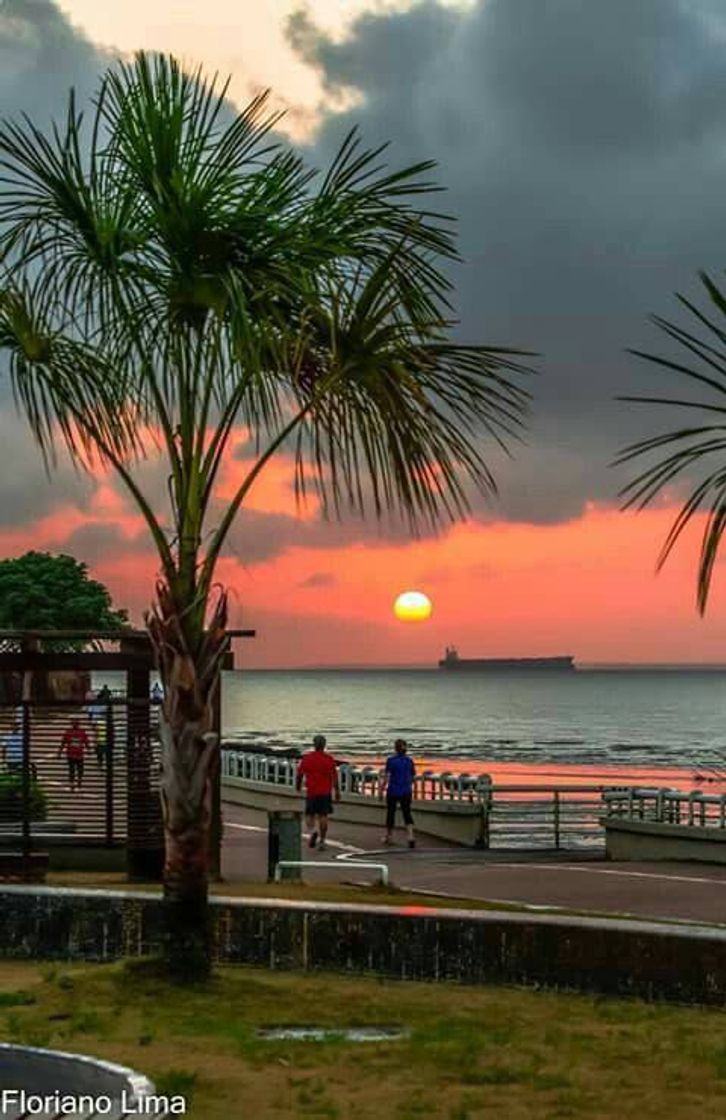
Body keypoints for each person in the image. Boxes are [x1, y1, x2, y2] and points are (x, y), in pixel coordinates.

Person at [295, 734, 340, 852]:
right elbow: (335, 777)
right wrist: (337, 791)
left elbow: (300, 775)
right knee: (323, 816)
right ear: (324, 745)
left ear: (314, 745)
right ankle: (322, 841)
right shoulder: (329, 759)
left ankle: (312, 831)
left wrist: (298, 787)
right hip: (325, 792)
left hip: (312, 792)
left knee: (310, 815)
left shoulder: (307, 758)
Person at [382, 738, 416, 848]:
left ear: (395, 748)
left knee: (391, 813)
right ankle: (410, 836)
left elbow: (387, 777)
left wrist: (381, 789)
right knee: (407, 813)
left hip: (393, 790)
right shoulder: (409, 761)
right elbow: (412, 776)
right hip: (406, 790)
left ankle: (389, 836)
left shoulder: (391, 760)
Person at [58, 717, 89, 792]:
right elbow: (63, 742)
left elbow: (86, 742)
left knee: (78, 770)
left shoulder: (81, 732)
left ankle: (78, 781)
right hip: (72, 754)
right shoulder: (69, 732)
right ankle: (73, 783)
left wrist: (89, 749)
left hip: (78, 754)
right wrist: (59, 752)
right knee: (73, 770)